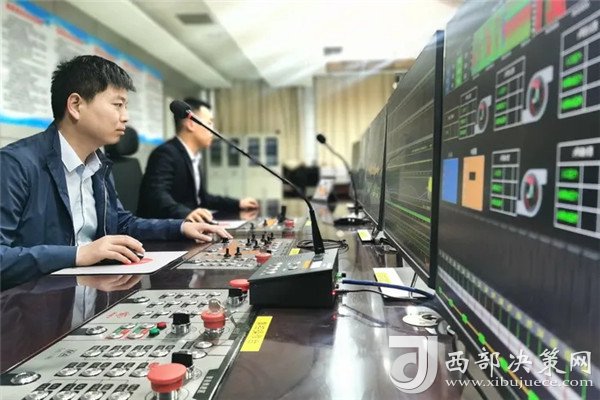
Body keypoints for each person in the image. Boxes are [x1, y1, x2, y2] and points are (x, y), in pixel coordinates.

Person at [0, 55, 232, 289]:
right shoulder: (15, 164)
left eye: (126, 106)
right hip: (33, 302)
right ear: (76, 105)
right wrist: (80, 254)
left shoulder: (99, 165)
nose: (126, 117)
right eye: (117, 105)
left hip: (87, 292)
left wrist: (180, 227)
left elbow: (121, 223)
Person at [137, 98, 258, 222]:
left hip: (189, 226)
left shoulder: (192, 156)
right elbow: (156, 196)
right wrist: (187, 213)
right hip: (166, 229)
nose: (213, 130)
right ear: (191, 124)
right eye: (209, 123)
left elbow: (202, 198)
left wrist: (237, 203)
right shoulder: (166, 153)